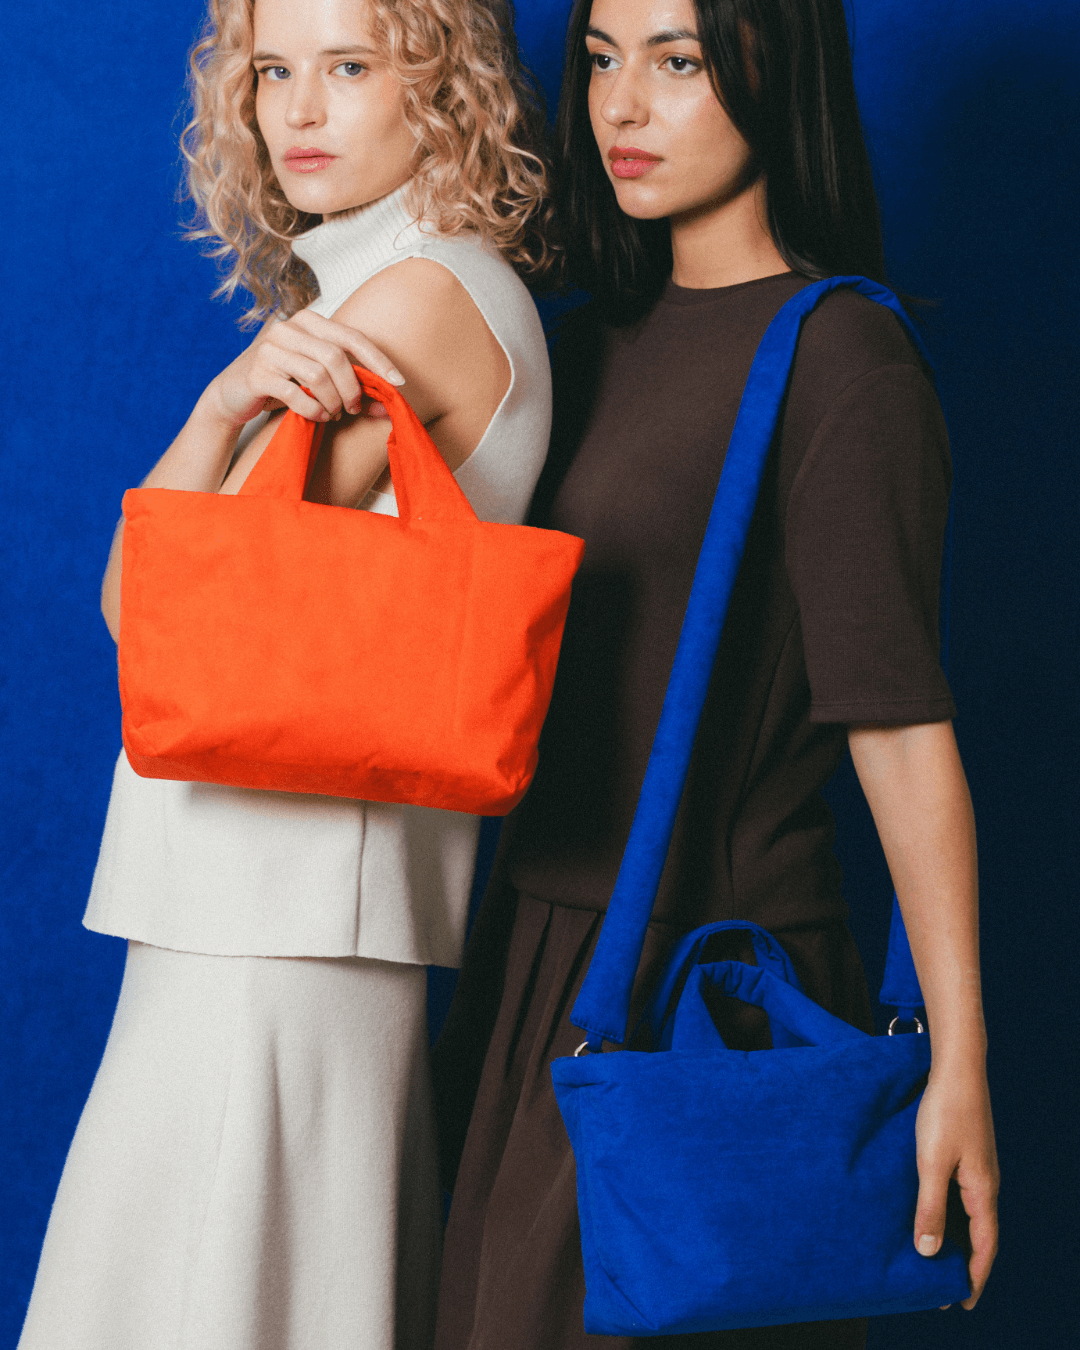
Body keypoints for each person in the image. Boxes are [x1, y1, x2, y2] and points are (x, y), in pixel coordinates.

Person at [431, 1, 1000, 1348]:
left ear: (773, 67)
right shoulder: (570, 344)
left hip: (713, 995)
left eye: (676, 61)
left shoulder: (841, 358)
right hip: (530, 957)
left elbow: (900, 730)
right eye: (600, 59)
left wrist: (957, 1059)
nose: (620, 106)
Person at [17, 2, 553, 1348]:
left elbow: (159, 607)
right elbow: (139, 605)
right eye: (272, 70)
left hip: (281, 919)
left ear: (441, 88)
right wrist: (222, 403)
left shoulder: (420, 297)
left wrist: (223, 409)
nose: (298, 110)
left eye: (349, 67)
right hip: (271, 906)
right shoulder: (366, 299)